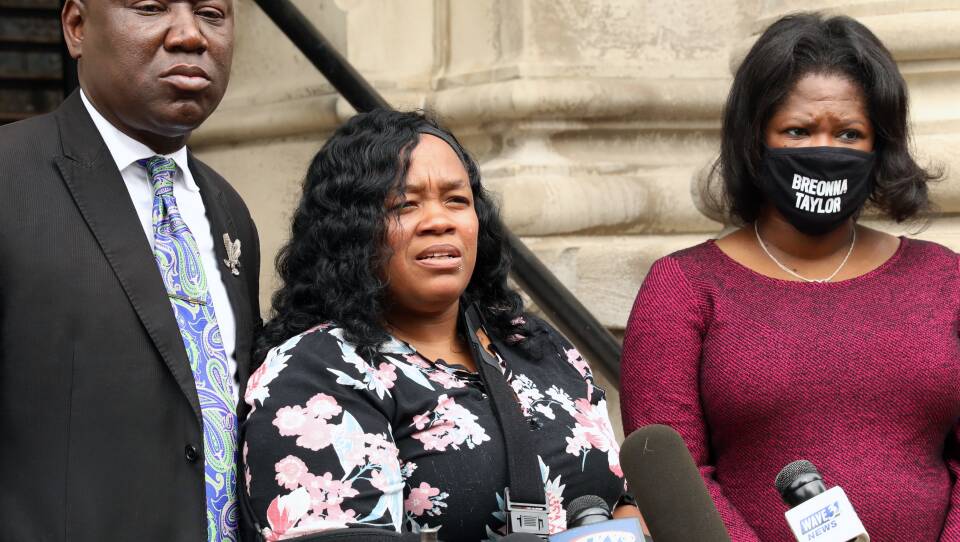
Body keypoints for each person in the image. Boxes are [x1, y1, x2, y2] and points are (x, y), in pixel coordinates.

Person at [620, 12, 957, 542]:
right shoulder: (683, 287)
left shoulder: (944, 279)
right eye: (798, 131)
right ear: (755, 140)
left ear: (880, 146)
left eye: (849, 133)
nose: (825, 149)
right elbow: (676, 480)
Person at [241, 109, 626, 541]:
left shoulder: (532, 341)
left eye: (456, 200)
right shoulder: (315, 374)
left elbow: (618, 499)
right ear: (349, 230)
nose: (440, 221)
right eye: (405, 204)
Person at [0, 1, 260, 541]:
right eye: (150, 7)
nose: (190, 35)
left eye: (211, 13)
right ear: (76, 27)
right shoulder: (9, 179)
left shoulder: (228, 210)